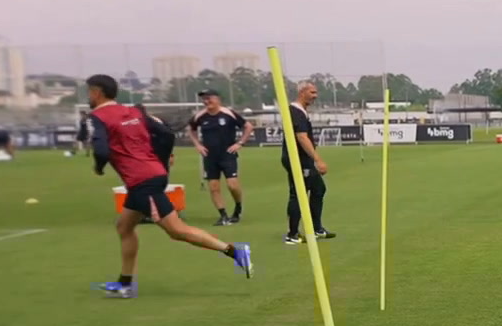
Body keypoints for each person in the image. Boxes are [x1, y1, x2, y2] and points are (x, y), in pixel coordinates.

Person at [85, 74, 251, 298]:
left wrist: (99, 167)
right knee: (124, 227)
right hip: (147, 178)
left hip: (143, 181)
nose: (88, 96)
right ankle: (125, 284)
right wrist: (160, 162)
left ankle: (235, 252)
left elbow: (102, 150)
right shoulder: (135, 111)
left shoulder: (96, 117)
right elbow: (165, 133)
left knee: (176, 230)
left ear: (96, 92)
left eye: (89, 92)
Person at [281, 81, 335, 245]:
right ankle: (292, 234)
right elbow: (301, 137)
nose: (315, 96)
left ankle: (316, 229)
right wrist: (318, 160)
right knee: (298, 194)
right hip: (298, 159)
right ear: (302, 92)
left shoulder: (301, 111)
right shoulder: (296, 111)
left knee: (319, 188)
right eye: (312, 92)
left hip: (302, 159)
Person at [188, 89, 252, 226]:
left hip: (227, 155)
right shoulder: (200, 116)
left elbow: (248, 126)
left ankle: (238, 208)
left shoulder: (228, 113)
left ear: (218, 99)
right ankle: (223, 215)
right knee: (213, 187)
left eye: (209, 98)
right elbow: (191, 129)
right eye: (204, 99)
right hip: (210, 156)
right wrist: (197, 145)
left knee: (232, 185)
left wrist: (240, 143)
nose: (206, 101)